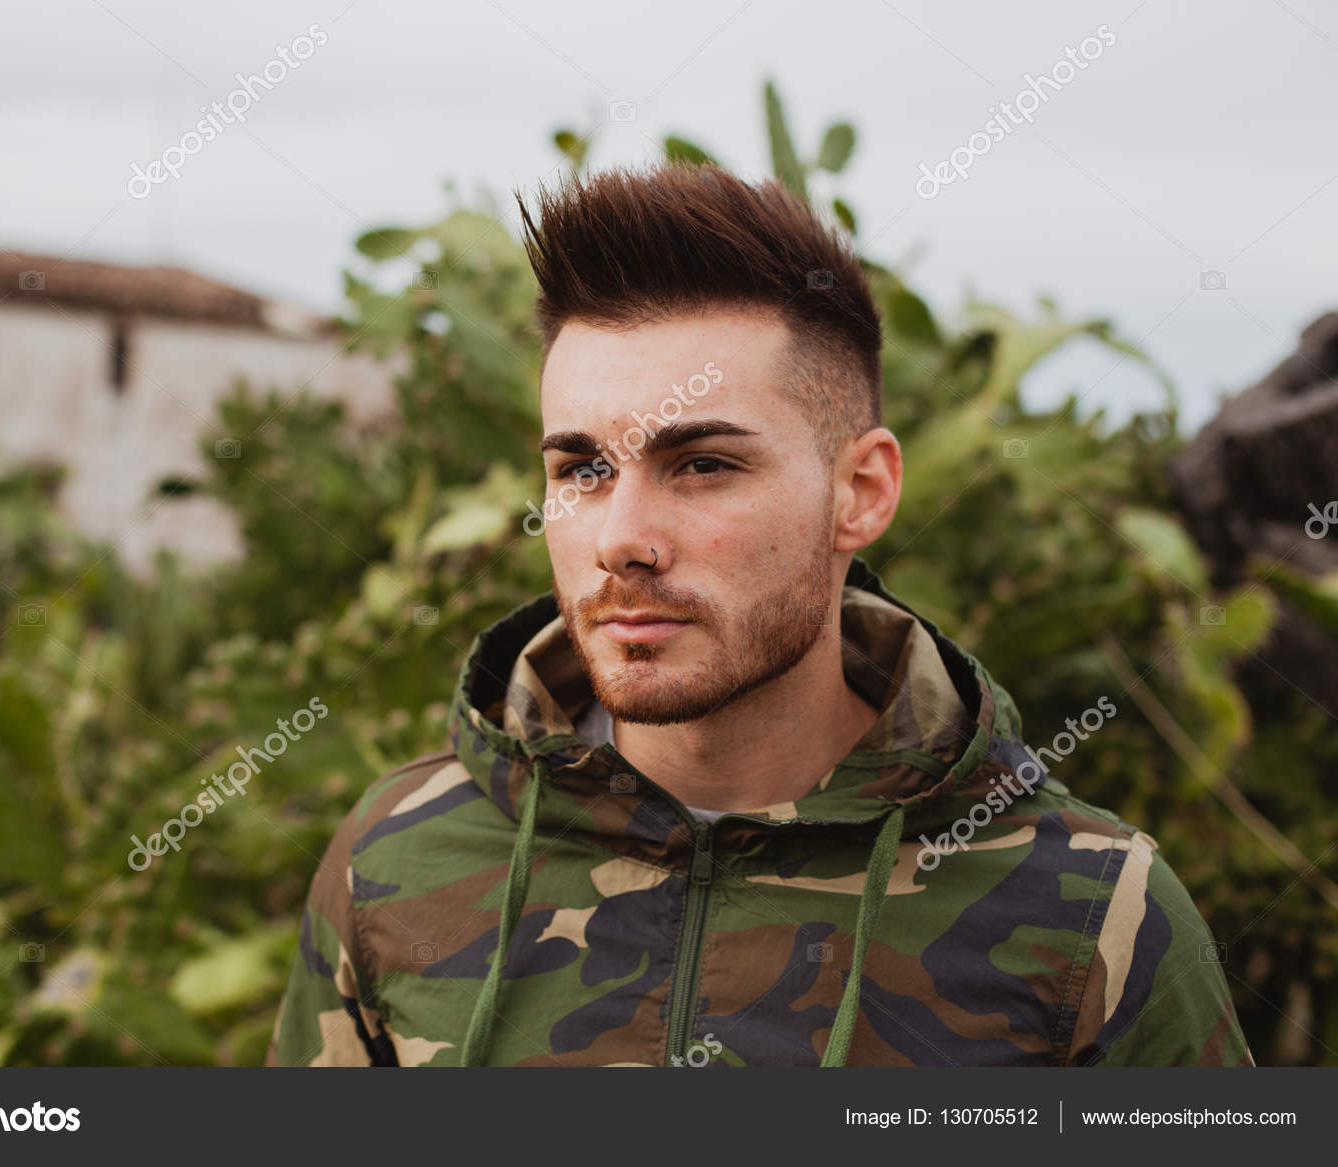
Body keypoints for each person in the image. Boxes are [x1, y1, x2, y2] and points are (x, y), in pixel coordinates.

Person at [269, 161, 1251, 1067]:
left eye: (702, 465)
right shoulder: (394, 855)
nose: (622, 538)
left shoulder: (1092, 915)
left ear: (859, 492)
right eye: (582, 469)